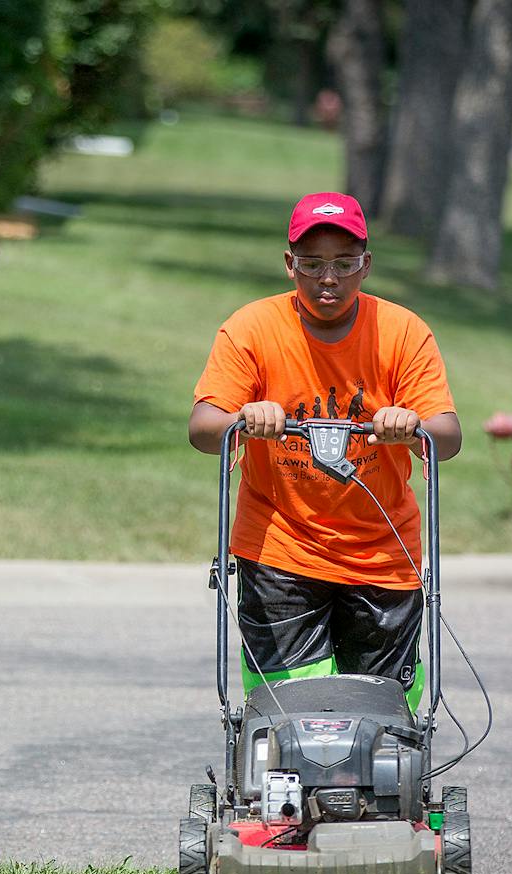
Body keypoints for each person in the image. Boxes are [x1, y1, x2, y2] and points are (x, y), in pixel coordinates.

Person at [189, 192, 462, 707]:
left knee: (379, 711)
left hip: (383, 551)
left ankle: (380, 787)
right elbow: (204, 427)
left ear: (367, 265)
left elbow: (446, 438)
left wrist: (411, 424)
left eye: (344, 263)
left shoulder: (403, 333)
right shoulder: (252, 328)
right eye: (312, 264)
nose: (328, 278)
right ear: (290, 265)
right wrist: (245, 419)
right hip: (280, 548)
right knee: (290, 709)